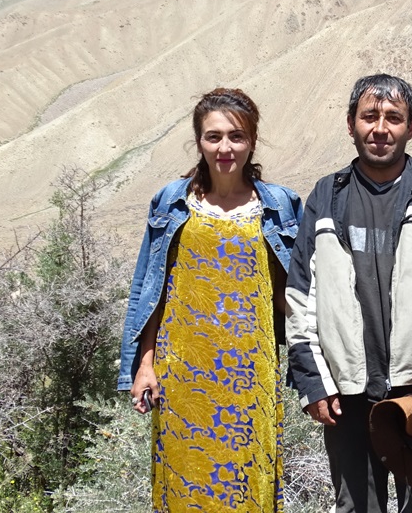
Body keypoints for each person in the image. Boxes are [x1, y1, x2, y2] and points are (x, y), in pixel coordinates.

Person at [285, 73, 412, 513]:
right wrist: (314, 382)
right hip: (346, 398)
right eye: (369, 116)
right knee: (356, 508)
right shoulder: (326, 196)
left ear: (411, 126)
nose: (380, 128)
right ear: (350, 123)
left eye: (394, 117)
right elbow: (301, 300)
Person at [118, 88, 302, 513]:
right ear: (198, 141)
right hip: (181, 370)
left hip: (250, 370)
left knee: (249, 483)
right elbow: (152, 290)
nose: (225, 148)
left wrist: (313, 361)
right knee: (184, 485)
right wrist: (144, 366)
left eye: (236, 137)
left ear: (252, 140)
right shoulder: (172, 202)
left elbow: (290, 295)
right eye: (213, 136)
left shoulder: (279, 206)